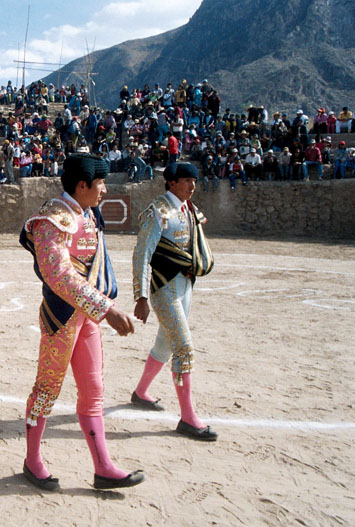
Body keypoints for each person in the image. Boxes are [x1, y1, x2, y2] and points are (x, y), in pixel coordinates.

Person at [19, 153, 144, 492]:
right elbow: (58, 276)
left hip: (85, 316)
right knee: (46, 389)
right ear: (82, 184)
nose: (104, 190)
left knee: (93, 391)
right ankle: (32, 460)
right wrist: (107, 309)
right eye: (100, 183)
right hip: (61, 317)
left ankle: (103, 467)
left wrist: (101, 309)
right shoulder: (50, 219)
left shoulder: (86, 214)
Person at [129, 162, 217, 441]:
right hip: (164, 288)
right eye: (186, 181)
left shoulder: (189, 210)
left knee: (165, 345)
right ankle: (188, 418)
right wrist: (141, 296)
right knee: (184, 348)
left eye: (194, 180)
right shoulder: (159, 211)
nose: (192, 186)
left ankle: (141, 392)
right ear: (171, 183)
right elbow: (142, 254)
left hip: (185, 286)